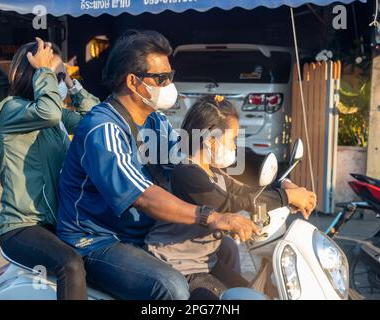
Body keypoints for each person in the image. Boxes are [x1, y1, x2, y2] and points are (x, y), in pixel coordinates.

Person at [56, 30, 262, 300]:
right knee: (172, 286)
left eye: (170, 77)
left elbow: (192, 161)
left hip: (141, 233)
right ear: (133, 81)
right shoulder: (104, 129)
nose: (168, 85)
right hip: (98, 241)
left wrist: (268, 188)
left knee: (225, 251)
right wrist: (213, 216)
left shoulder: (155, 121)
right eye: (161, 78)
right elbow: (144, 197)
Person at [145, 95, 317, 299]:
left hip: (204, 262)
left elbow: (246, 192)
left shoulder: (214, 172)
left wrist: (284, 186)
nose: (234, 147)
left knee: (252, 293)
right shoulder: (187, 172)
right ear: (210, 139)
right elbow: (226, 203)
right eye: (232, 139)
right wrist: (286, 197)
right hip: (179, 267)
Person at [0, 38, 99, 300]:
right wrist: (45, 71)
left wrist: (71, 83)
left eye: (57, 74)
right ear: (33, 74)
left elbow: (94, 120)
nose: (55, 80)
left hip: (58, 222)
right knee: (71, 264)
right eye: (49, 73)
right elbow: (49, 113)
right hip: (22, 227)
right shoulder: (12, 110)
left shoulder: (54, 117)